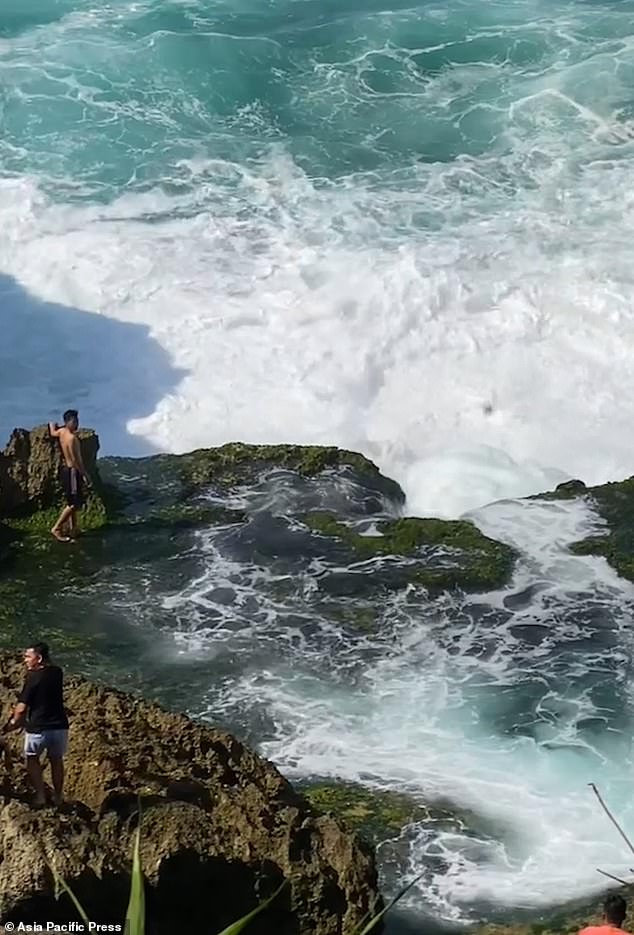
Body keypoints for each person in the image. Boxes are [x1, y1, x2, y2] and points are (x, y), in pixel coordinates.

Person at [2, 642, 69, 807]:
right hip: (60, 726)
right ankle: (58, 796)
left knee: (32, 759)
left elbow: (22, 708)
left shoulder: (33, 678)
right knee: (57, 760)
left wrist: (11, 724)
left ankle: (40, 796)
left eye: (28, 657)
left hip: (39, 728)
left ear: (38, 658)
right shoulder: (57, 672)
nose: (25, 660)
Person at [48, 409, 91, 542]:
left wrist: (51, 425)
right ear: (67, 422)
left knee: (73, 500)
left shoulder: (61, 432)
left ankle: (74, 528)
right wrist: (85, 475)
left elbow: (53, 433)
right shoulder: (73, 439)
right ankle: (56, 528)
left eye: (77, 421)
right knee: (73, 504)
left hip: (66, 471)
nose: (77, 424)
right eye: (74, 421)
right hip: (73, 471)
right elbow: (77, 460)